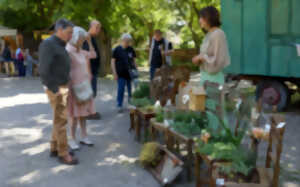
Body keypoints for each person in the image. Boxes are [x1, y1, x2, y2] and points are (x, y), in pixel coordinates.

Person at [39, 18, 78, 165]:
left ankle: (54, 147)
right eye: (69, 33)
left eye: (72, 33)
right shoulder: (48, 44)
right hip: (56, 88)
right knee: (62, 121)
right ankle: (63, 153)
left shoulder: (60, 44)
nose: (71, 36)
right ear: (59, 30)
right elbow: (43, 70)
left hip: (62, 86)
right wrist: (55, 89)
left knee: (58, 119)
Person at [66, 26, 96, 150]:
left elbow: (93, 54)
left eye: (84, 40)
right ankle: (71, 139)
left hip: (84, 86)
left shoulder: (80, 51)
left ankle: (84, 136)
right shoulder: (68, 50)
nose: (82, 41)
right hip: (74, 88)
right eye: (82, 39)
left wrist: (89, 41)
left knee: (83, 114)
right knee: (73, 116)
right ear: (75, 38)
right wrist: (71, 88)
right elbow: (66, 72)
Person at [192, 6, 230, 86]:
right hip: (206, 78)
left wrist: (202, 57)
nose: (199, 20)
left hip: (214, 81)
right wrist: (198, 60)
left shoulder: (218, 34)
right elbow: (208, 56)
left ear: (208, 17)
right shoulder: (209, 35)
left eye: (201, 17)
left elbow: (218, 61)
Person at [111, 33, 137, 113]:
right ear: (122, 40)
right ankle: (119, 105)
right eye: (126, 41)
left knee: (130, 90)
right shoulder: (117, 49)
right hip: (120, 74)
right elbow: (112, 62)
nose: (128, 43)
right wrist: (114, 73)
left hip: (130, 73)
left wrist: (136, 70)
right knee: (121, 89)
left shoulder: (131, 49)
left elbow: (134, 60)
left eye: (129, 41)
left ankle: (130, 103)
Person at [82, 20, 102, 120]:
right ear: (93, 27)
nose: (99, 30)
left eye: (100, 28)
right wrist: (88, 72)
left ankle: (90, 111)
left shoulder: (91, 38)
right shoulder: (87, 38)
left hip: (92, 70)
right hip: (89, 71)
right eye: (98, 27)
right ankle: (87, 113)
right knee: (90, 92)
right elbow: (86, 56)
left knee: (91, 92)